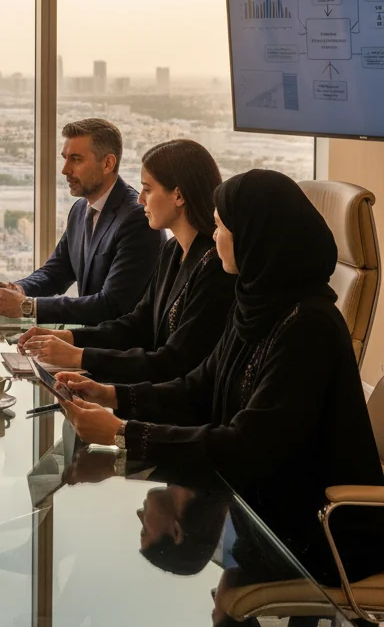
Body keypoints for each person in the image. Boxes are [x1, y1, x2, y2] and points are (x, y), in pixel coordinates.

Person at [56, 169, 384, 526]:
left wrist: (122, 433)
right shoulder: (255, 305)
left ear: (252, 236)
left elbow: (248, 446)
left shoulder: (309, 327)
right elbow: (198, 388)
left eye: (220, 227)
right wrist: (110, 394)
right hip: (256, 506)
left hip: (312, 528)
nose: (215, 237)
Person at [18, 139, 235, 383]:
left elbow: (175, 362)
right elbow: (136, 324)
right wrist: (68, 338)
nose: (141, 199)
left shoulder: (215, 265)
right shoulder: (173, 250)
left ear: (178, 195)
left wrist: (80, 357)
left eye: (148, 189)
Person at [0, 119, 161, 326]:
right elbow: (56, 272)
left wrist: (28, 306)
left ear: (108, 164)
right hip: (88, 341)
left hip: (118, 351)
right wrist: (16, 290)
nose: (65, 170)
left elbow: (112, 305)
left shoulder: (137, 219)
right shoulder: (80, 210)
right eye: (65, 158)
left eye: (76, 159)